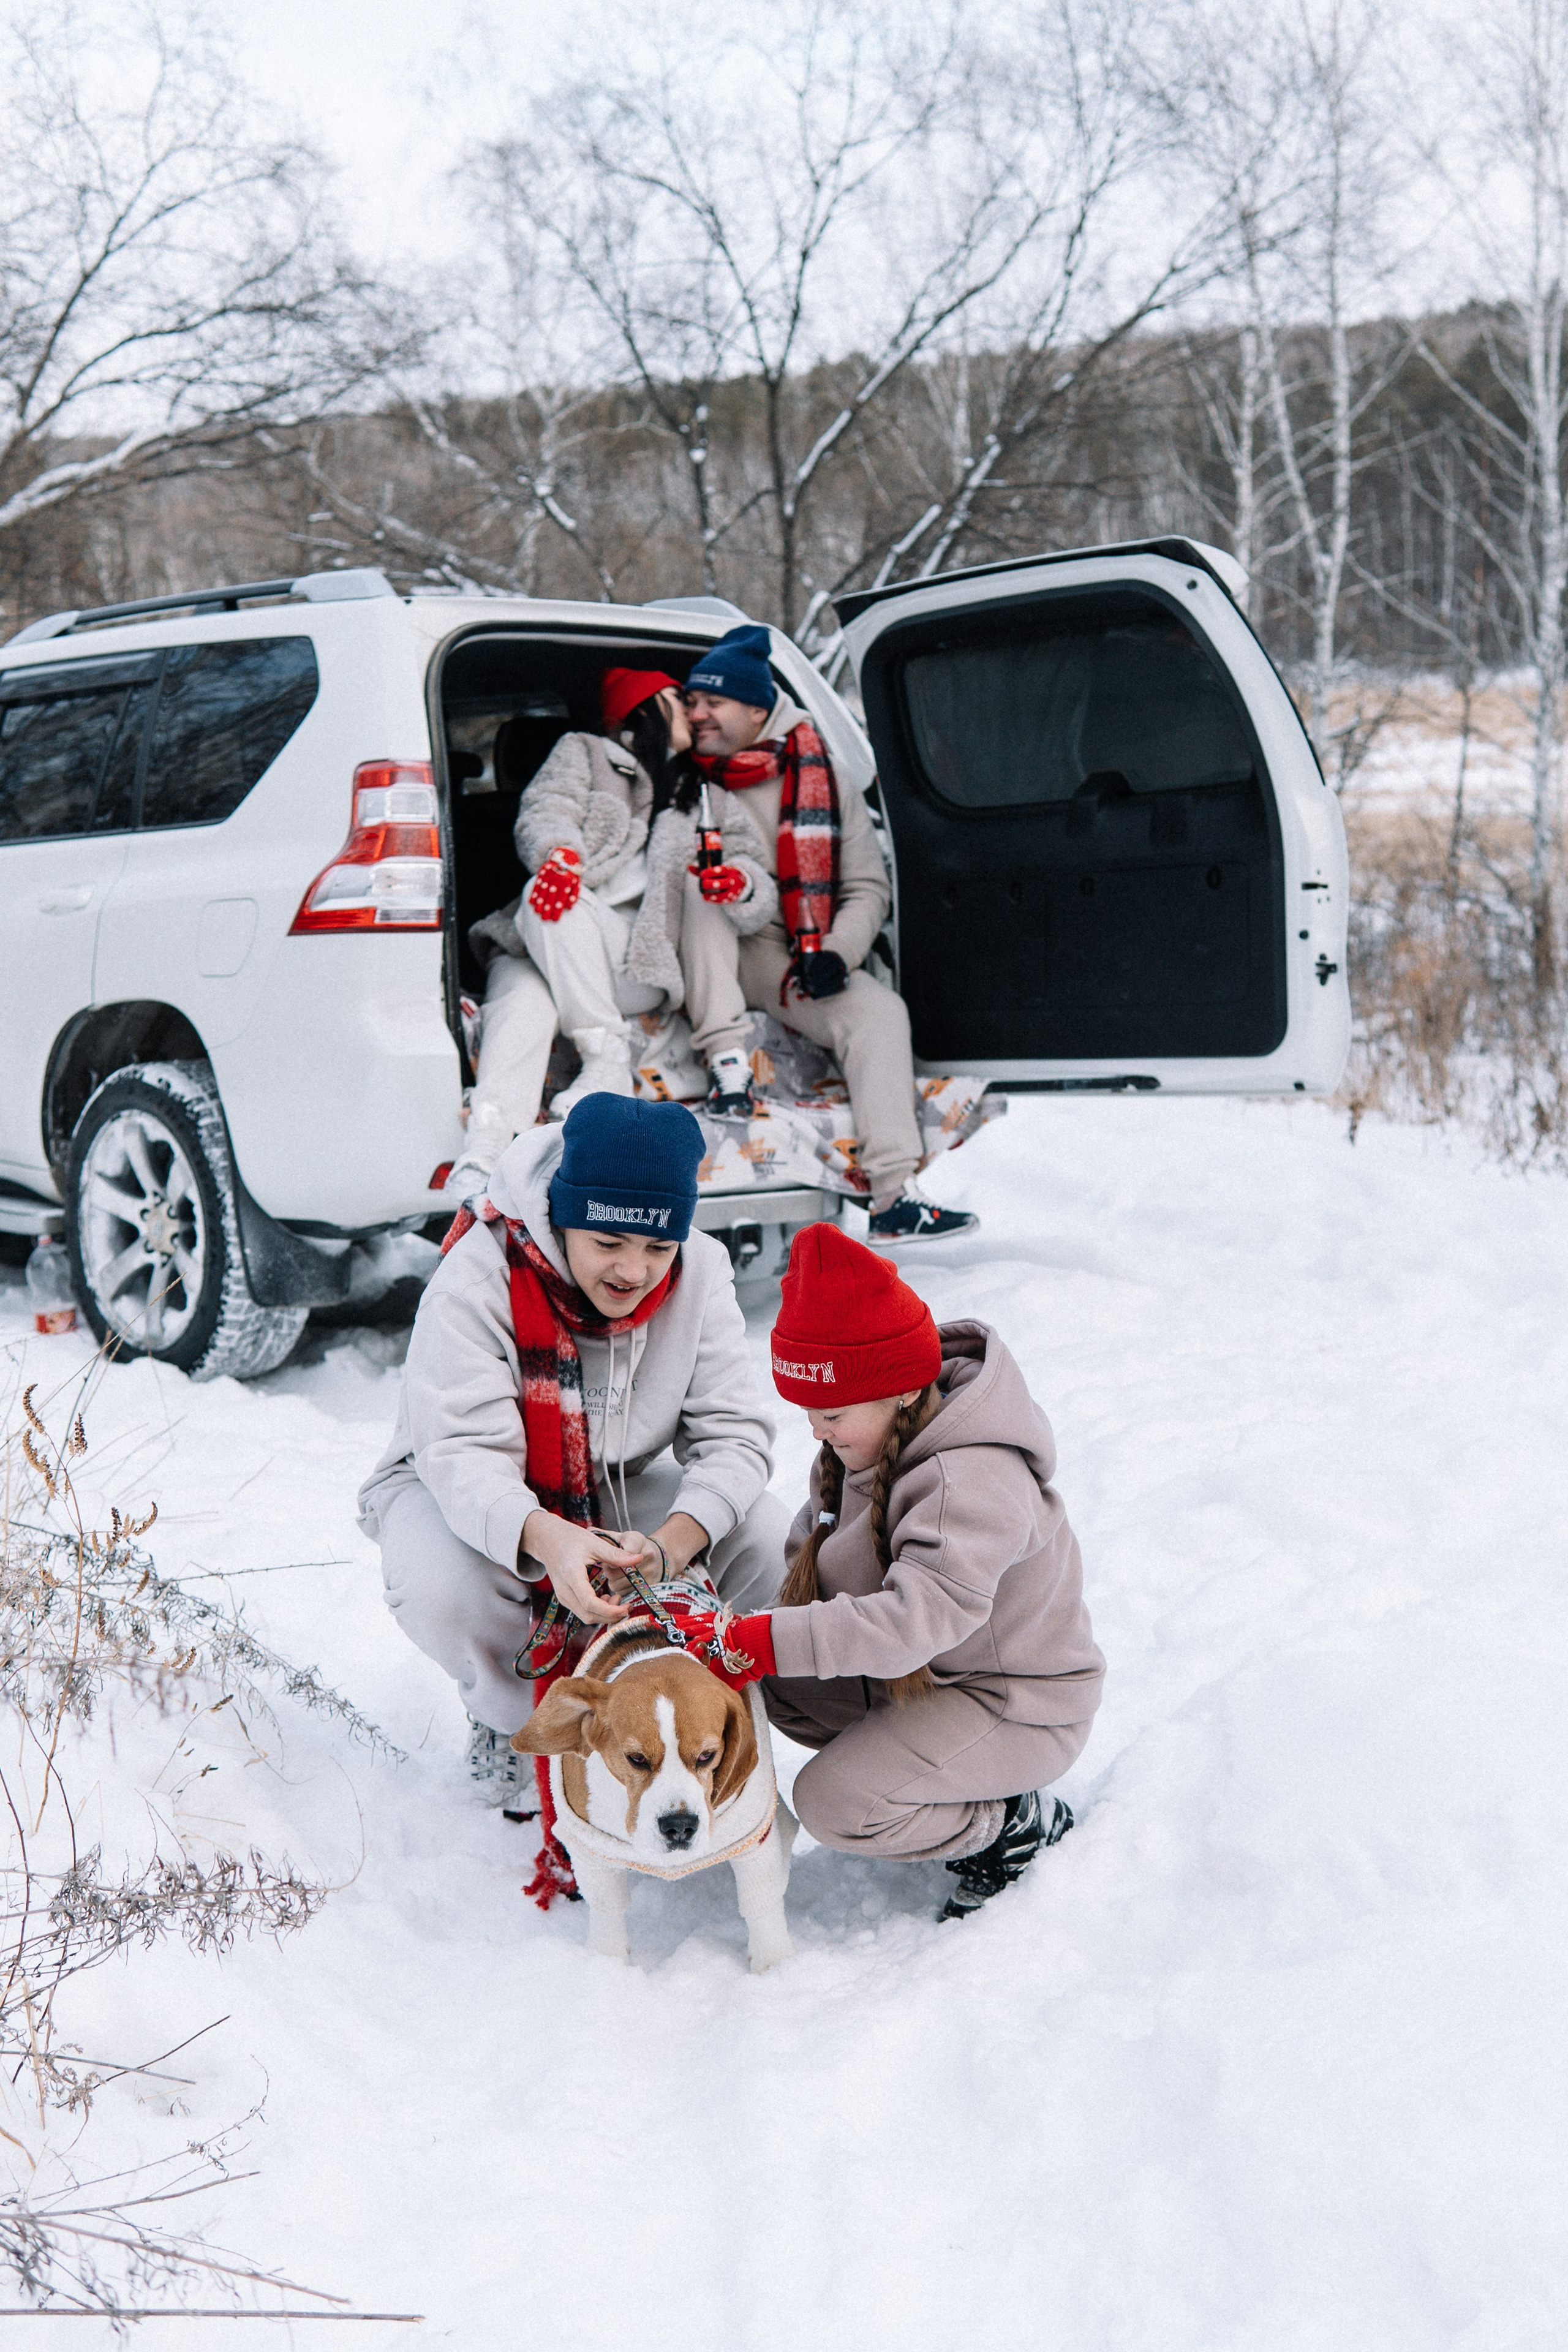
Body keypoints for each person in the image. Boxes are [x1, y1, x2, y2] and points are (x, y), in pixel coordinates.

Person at [655, 1221, 1104, 1918]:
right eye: (806, 1410)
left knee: (836, 1804)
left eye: (829, 1411)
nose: (815, 1430)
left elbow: (917, 1620)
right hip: (929, 1680)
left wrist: (757, 1640)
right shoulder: (858, 1451)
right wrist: (720, 1632)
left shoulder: (971, 1478)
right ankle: (912, 1770)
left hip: (1014, 1703)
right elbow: (817, 1578)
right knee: (769, 1693)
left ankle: (1008, 1825)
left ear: (898, 1390)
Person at [358, 1093, 790, 1793]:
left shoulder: (701, 1272)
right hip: (462, 1492)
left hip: (613, 1485)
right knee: (442, 1584)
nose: (634, 1270)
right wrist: (549, 1540)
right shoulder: (478, 1276)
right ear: (562, 1219)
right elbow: (463, 1454)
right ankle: (512, 1720)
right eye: (609, 1243)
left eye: (658, 1246)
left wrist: (671, 1544)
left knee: (768, 1536)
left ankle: (682, 1709)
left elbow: (734, 1434)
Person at [679, 623, 977, 1242]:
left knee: (878, 1011)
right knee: (700, 881)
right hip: (717, 943)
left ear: (758, 709)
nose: (697, 713)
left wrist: (835, 955)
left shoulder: (824, 774)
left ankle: (894, 1195)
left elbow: (867, 887)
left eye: (714, 702)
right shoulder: (684, 774)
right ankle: (726, 1058)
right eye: (692, 701)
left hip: (792, 950)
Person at [448, 668, 776, 1194]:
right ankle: (486, 1151)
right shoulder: (584, 752)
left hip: (634, 963)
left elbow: (755, 872)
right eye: (679, 698)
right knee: (520, 999)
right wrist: (558, 855)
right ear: (645, 706)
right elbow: (545, 809)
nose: (694, 713)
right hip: (549, 934)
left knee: (544, 901)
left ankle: (606, 1057)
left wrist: (741, 885)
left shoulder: (706, 797)